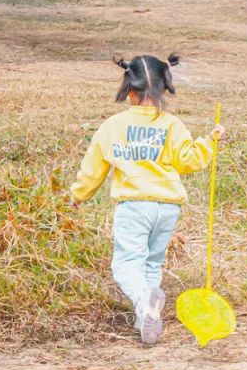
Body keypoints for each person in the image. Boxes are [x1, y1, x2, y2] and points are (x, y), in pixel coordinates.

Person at [70, 53, 223, 344]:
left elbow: (94, 168)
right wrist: (208, 142)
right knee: (151, 264)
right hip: (167, 208)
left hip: (134, 206)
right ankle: (146, 320)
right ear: (165, 88)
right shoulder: (172, 125)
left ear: (129, 89)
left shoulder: (113, 126)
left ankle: (143, 302)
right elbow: (188, 161)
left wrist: (79, 195)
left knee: (126, 265)